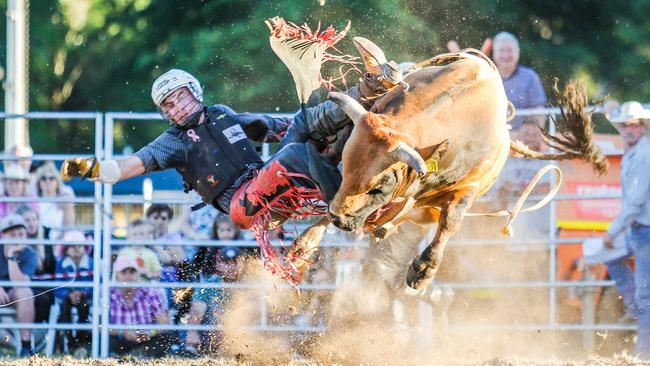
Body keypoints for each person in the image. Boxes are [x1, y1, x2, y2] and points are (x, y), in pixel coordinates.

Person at [59, 68, 392, 254]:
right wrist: (93, 170)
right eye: (169, 106)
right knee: (294, 153)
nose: (176, 108)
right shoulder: (171, 142)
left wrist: (321, 129)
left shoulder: (221, 114)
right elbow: (127, 167)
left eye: (179, 99)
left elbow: (276, 126)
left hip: (265, 182)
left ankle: (365, 93)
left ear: (194, 92)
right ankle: (347, 212)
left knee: (306, 126)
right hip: (241, 205)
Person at [602, 101, 650, 357]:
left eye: (633, 124)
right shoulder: (636, 153)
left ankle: (645, 355)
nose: (628, 129)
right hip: (639, 230)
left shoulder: (643, 155)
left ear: (642, 127)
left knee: (646, 297)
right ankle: (636, 309)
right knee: (611, 258)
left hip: (645, 230)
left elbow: (635, 201)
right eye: (624, 125)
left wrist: (612, 231)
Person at [447, 32, 547, 131]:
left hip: (523, 137)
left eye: (510, 50)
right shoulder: (483, 77)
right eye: (501, 50)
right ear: (494, 53)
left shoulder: (530, 77)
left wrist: (533, 131)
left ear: (518, 52)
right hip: (489, 137)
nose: (506, 55)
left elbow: (539, 111)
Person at [109, 254, 176, 358]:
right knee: (106, 338)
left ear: (137, 274)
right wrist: (122, 332)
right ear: (117, 275)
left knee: (166, 337)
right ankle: (137, 356)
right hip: (120, 339)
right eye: (124, 272)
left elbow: (164, 323)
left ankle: (133, 356)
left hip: (147, 339)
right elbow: (99, 326)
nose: (128, 276)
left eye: (132, 272)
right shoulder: (109, 294)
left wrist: (150, 332)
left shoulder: (150, 292)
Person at [0, 214, 38, 356]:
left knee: (25, 292)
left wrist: (11, 257)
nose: (17, 237)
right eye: (12, 234)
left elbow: (20, 282)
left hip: (14, 295)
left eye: (20, 234)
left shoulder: (30, 254)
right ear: (3, 236)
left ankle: (25, 346)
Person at [54, 231, 93, 357]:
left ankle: (81, 340)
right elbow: (57, 285)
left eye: (80, 246)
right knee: (64, 309)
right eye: (72, 246)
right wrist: (69, 294)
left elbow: (96, 284)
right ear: (66, 249)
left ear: (85, 248)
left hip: (85, 298)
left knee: (84, 307)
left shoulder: (91, 263)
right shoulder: (61, 264)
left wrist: (83, 293)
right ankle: (70, 342)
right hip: (67, 298)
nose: (76, 249)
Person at [33, 161, 75, 238]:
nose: (47, 181)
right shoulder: (33, 201)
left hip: (59, 243)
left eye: (51, 178)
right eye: (43, 178)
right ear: (39, 182)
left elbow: (68, 229)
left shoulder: (64, 200)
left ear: (57, 182)